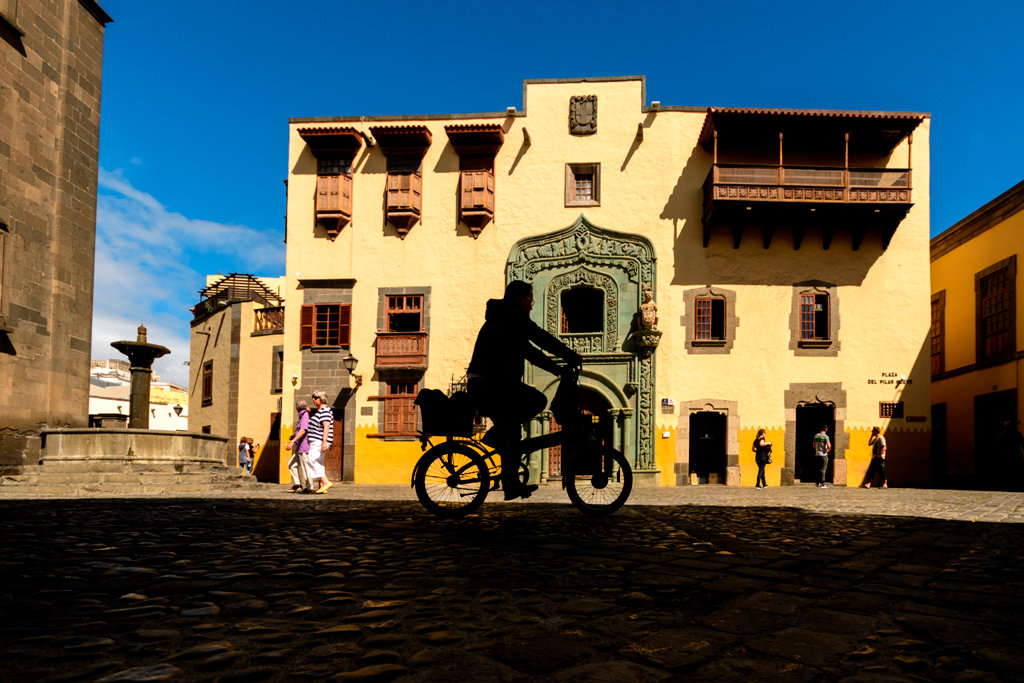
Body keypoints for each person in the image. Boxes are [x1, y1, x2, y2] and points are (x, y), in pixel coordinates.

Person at [467, 280, 582, 500]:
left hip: (494, 385)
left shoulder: (506, 319)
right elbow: (540, 338)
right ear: (521, 300)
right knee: (537, 401)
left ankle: (511, 485)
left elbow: (530, 351)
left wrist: (557, 368)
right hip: (490, 385)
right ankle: (494, 436)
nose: (531, 306)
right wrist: (569, 356)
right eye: (531, 300)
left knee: (513, 435)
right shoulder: (510, 317)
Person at [307, 390, 334, 494]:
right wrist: (311, 413)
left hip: (319, 441)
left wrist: (324, 441)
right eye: (313, 397)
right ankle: (322, 485)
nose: (313, 399)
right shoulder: (320, 411)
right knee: (318, 462)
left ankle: (325, 482)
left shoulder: (325, 410)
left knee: (311, 460)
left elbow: (326, 426)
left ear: (322, 398)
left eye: (315, 397)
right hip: (316, 440)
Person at [283, 399, 312, 492]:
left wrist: (292, 442)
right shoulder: (303, 415)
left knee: (305, 467)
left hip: (304, 446)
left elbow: (303, 430)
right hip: (299, 446)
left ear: (297, 407)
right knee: (291, 464)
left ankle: (310, 486)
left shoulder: (305, 415)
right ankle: (298, 484)